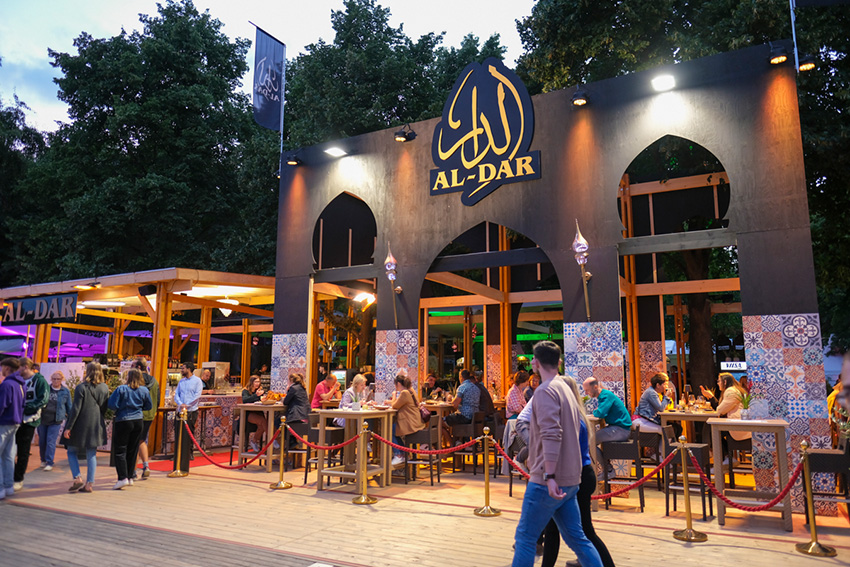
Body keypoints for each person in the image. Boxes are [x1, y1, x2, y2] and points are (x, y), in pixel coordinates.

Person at [512, 341, 602, 567]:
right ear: (559, 361)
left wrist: (550, 475)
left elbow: (552, 434)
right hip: (572, 479)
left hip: (547, 480)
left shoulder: (545, 391)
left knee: (525, 538)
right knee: (578, 539)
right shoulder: (566, 389)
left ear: (536, 362)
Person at [541, 376, 616, 567]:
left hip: (575, 476)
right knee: (555, 529)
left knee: (582, 531)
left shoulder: (570, 419)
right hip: (577, 475)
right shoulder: (575, 416)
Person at [63, 362, 110, 493]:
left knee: (71, 451)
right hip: (96, 423)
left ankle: (77, 477)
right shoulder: (104, 387)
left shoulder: (81, 387)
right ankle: (89, 484)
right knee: (91, 453)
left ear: (88, 371)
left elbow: (76, 409)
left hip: (80, 423)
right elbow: (104, 408)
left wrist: (68, 427)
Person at [108, 368, 152, 490]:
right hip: (138, 420)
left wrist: (119, 408)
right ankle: (130, 476)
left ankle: (122, 478)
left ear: (128, 377)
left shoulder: (121, 389)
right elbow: (149, 406)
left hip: (124, 420)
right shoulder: (144, 390)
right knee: (133, 449)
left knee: (120, 450)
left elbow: (112, 405)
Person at [13, 358, 49, 491]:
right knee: (10, 450)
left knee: (23, 450)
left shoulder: (39, 381)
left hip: (30, 420)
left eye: (18, 367)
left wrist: (26, 408)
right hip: (15, 419)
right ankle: (12, 475)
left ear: (25, 367)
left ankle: (18, 478)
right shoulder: (17, 380)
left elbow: (43, 400)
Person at [583, 377, 632, 468]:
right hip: (619, 428)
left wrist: (595, 411)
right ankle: (607, 469)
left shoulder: (606, 396)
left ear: (595, 387)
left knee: (589, 442)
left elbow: (601, 413)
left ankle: (608, 469)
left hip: (621, 430)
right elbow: (601, 412)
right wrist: (597, 411)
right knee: (590, 441)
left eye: (587, 390)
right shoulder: (604, 395)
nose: (586, 393)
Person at [700, 372, 751, 461]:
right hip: (737, 423)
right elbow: (721, 409)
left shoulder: (731, 391)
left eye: (719, 381)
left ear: (725, 382)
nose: (718, 383)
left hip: (737, 426)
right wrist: (711, 397)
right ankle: (723, 457)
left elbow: (720, 411)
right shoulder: (733, 390)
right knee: (710, 427)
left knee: (710, 427)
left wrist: (711, 397)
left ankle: (715, 456)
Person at [36, 371, 72, 472]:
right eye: (54, 379)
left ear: (62, 380)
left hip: (56, 420)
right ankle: (43, 460)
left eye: (58, 379)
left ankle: (49, 462)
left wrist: (70, 420)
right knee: (42, 441)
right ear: (51, 379)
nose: (56, 381)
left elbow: (69, 406)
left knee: (50, 441)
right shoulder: (45, 389)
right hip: (43, 419)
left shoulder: (65, 391)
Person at [0, 358, 26, 500]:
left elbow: (1, 405)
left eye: (2, 367)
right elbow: (23, 405)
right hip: (15, 422)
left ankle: (1, 488)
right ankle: (8, 486)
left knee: (3, 456)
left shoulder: (7, 384)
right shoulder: (21, 384)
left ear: (7, 368)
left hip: (4, 422)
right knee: (9, 456)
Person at [173, 362, 203, 473]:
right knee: (178, 433)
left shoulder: (197, 381)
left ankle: (188, 454)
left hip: (191, 411)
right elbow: (176, 394)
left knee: (188, 433)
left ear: (189, 369)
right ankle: (177, 456)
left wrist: (187, 405)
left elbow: (197, 395)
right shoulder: (181, 381)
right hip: (180, 411)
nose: (181, 370)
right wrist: (180, 404)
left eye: (183, 368)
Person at [390, 374, 424, 465]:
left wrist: (394, 395)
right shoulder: (411, 390)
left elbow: (394, 405)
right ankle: (404, 454)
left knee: (389, 430)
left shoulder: (404, 393)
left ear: (398, 384)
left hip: (410, 424)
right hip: (415, 422)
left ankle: (399, 455)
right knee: (393, 429)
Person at [134, 358, 159, 480]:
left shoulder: (136, 380)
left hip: (137, 414)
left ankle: (133, 471)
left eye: (133, 365)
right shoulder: (154, 381)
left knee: (134, 442)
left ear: (138, 367)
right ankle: (146, 466)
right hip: (150, 414)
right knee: (141, 440)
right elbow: (157, 400)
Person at [283, 373, 310, 449]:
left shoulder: (293, 388)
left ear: (291, 380)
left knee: (279, 422)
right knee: (283, 422)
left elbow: (285, 402)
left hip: (297, 416)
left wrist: (288, 390)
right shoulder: (302, 387)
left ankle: (291, 442)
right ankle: (292, 442)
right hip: (305, 416)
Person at [242, 375, 267, 452]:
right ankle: (273, 439)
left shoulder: (260, 391)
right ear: (251, 382)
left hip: (258, 412)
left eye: (258, 382)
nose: (257, 383)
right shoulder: (245, 391)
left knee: (263, 423)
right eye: (256, 382)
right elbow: (245, 400)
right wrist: (256, 395)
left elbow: (261, 400)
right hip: (248, 413)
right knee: (263, 421)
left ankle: (254, 441)